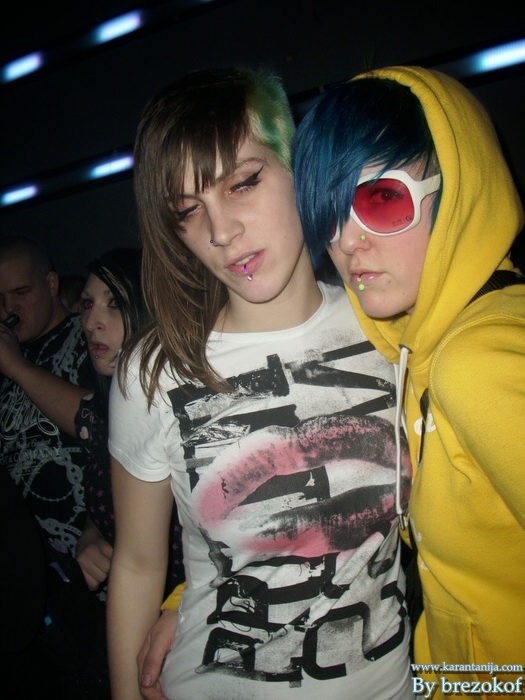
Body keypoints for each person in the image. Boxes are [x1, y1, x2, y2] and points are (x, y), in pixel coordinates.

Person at [107, 65, 414, 700]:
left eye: (243, 183)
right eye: (188, 211)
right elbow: (136, 563)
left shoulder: (392, 327)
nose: (221, 233)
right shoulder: (154, 373)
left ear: (297, 165)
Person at [292, 65, 525, 697]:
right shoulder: (419, 350)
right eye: (329, 216)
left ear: (458, 195)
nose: (346, 242)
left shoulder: (479, 360)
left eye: (381, 200)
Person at [0, 234, 107, 697]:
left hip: (96, 569)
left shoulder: (90, 338)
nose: (8, 308)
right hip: (35, 590)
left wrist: (17, 368)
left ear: (49, 284)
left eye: (20, 292)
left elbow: (107, 427)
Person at [76, 247, 185, 597]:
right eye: (87, 304)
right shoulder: (98, 411)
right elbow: (111, 496)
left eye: (114, 303)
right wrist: (92, 533)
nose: (91, 323)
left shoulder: (184, 410)